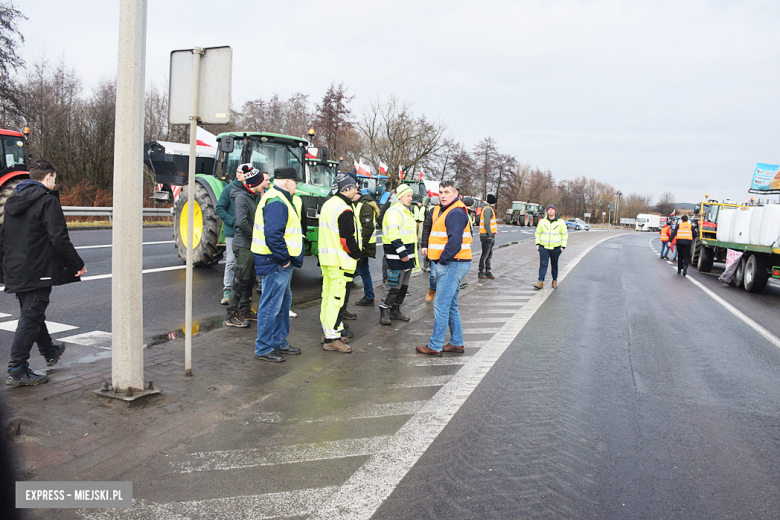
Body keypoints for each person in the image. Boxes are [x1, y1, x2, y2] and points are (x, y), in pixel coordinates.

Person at [0, 160, 86, 386]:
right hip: (37, 269)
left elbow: (4, 238)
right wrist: (77, 263)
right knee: (31, 315)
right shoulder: (47, 201)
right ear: (48, 177)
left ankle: (49, 350)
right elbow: (59, 237)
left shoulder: (11, 201)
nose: (54, 183)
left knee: (32, 312)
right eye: (54, 179)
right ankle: (17, 368)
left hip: (16, 268)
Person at [251, 167, 304, 362]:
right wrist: (284, 260)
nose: (297, 185)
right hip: (274, 262)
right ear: (288, 182)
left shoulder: (278, 198)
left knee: (281, 303)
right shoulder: (276, 201)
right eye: (296, 181)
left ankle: (278, 341)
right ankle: (264, 347)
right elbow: (273, 235)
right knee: (272, 304)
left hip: (277, 261)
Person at [416, 180, 472, 356]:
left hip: (452, 263)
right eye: (440, 192)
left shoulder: (455, 212)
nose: (443, 195)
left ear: (456, 194)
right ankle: (456, 342)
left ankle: (435, 345)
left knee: (440, 305)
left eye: (447, 192)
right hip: (455, 262)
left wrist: (442, 261)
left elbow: (454, 242)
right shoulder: (449, 210)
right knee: (450, 305)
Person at [318, 174, 361, 352]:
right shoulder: (344, 209)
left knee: (328, 297)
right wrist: (357, 254)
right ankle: (331, 338)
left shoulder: (329, 204)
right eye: (354, 187)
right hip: (340, 261)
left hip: (327, 260)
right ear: (347, 188)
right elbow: (346, 239)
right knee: (336, 299)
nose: (357, 190)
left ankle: (328, 331)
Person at [225, 165, 267, 327]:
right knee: (241, 279)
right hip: (243, 245)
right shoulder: (242, 198)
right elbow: (242, 222)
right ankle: (231, 314)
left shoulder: (251, 196)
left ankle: (244, 310)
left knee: (249, 280)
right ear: (255, 182)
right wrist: (256, 236)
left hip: (250, 244)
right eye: (261, 181)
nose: (263, 182)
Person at [379, 183, 417, 326]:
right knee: (394, 283)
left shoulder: (406, 211)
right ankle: (385, 310)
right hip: (397, 254)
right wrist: (402, 251)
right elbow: (393, 233)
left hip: (406, 253)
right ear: (400, 197)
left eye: (411, 195)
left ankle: (395, 309)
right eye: (408, 195)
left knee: (403, 285)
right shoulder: (394, 211)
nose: (411, 198)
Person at [215, 166, 246, 304]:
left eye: (242, 173)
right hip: (232, 232)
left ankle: (243, 293)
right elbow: (219, 208)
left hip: (246, 232)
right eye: (238, 172)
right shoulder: (229, 189)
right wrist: (232, 222)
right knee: (231, 261)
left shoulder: (250, 190)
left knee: (246, 263)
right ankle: (227, 290)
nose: (239, 175)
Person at [354, 188, 380, 306]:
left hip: (363, 245)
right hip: (362, 244)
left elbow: (368, 227)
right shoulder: (361, 205)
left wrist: (362, 244)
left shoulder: (364, 206)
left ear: (358, 195)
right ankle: (369, 296)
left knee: (363, 270)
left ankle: (369, 296)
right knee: (363, 270)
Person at [533, 204, 568, 290]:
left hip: (556, 248)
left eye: (552, 209)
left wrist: (563, 247)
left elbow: (564, 235)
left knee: (554, 264)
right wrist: (538, 244)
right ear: (547, 211)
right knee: (543, 264)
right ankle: (540, 281)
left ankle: (554, 280)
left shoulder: (561, 222)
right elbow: (538, 233)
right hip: (544, 247)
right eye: (549, 209)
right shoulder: (542, 221)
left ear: (555, 211)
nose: (551, 211)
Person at [421, 195, 440, 301]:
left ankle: (441, 294)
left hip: (448, 250)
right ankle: (432, 289)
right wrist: (424, 245)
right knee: (433, 275)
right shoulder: (433, 211)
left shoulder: (453, 211)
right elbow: (426, 228)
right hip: (435, 249)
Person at [478, 194, 498, 279]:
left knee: (488, 254)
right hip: (487, 236)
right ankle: (482, 271)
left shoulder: (486, 208)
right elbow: (486, 223)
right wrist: (490, 234)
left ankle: (487, 271)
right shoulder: (488, 209)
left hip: (487, 235)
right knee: (486, 255)